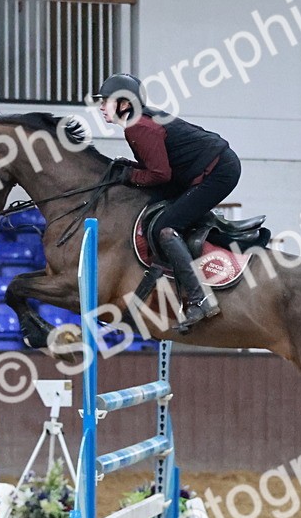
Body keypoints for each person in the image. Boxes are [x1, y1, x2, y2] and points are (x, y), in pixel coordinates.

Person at [93, 73, 240, 328]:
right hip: (202, 169)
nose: (101, 106)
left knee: (165, 227)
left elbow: (160, 175)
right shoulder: (138, 122)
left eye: (106, 101)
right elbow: (156, 168)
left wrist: (129, 175)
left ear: (124, 104)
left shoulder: (138, 126)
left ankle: (200, 299)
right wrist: (129, 169)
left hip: (218, 172)